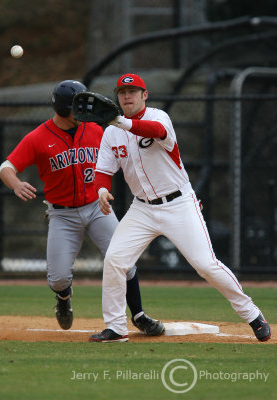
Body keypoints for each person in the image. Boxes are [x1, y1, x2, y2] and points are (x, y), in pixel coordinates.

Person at [89, 73, 271, 343]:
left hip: (178, 203)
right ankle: (116, 328)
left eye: (133, 91)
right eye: (122, 92)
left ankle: (253, 314)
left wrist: (121, 121)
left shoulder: (158, 117)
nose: (127, 96)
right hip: (142, 209)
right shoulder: (111, 132)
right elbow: (103, 170)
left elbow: (156, 133)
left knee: (206, 265)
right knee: (115, 260)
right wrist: (102, 190)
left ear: (144, 95)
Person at [0, 79, 164, 337]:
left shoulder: (98, 130)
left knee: (124, 260)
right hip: (62, 214)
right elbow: (5, 168)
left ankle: (139, 316)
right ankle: (63, 298)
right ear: (63, 109)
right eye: (77, 108)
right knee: (58, 279)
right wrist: (16, 183)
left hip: (97, 208)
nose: (83, 113)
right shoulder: (38, 137)